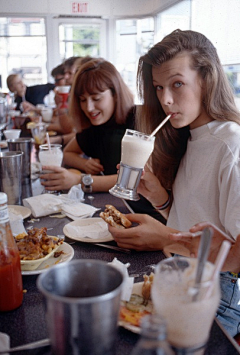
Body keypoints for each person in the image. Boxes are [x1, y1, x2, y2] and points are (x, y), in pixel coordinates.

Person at [108, 29, 240, 337]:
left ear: (206, 79)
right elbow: (200, 224)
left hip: (216, 294)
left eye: (177, 84)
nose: (165, 99)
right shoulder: (193, 137)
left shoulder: (230, 145)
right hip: (181, 273)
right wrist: (162, 201)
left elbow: (234, 257)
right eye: (158, 87)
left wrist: (166, 238)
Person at [40, 58, 135, 192]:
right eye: (83, 100)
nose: (89, 108)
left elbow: (135, 179)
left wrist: (81, 181)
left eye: (96, 98)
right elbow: (68, 153)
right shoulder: (94, 126)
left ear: (115, 94)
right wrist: (85, 164)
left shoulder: (137, 118)